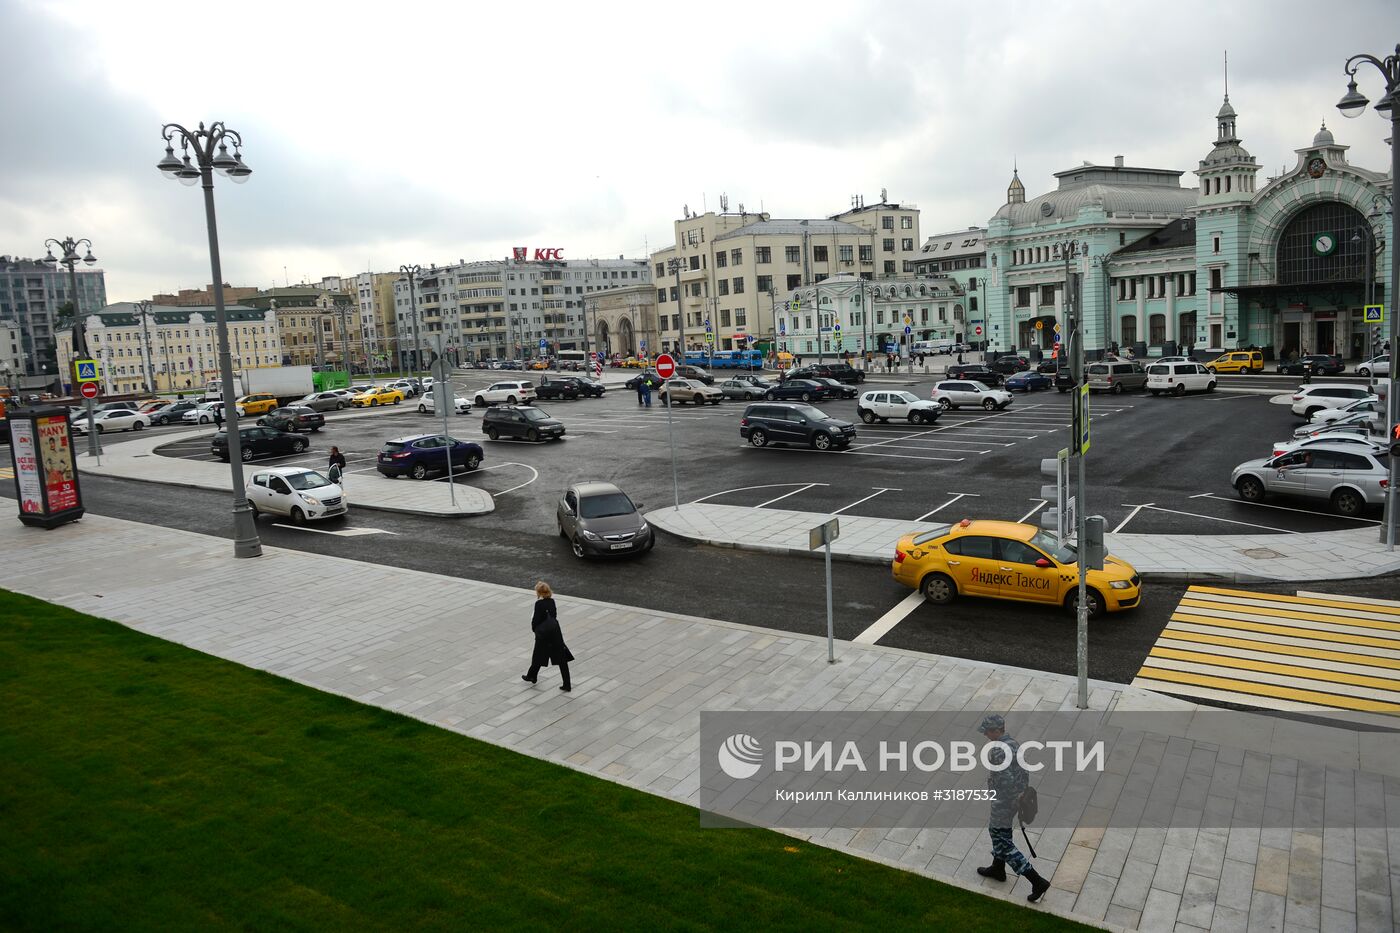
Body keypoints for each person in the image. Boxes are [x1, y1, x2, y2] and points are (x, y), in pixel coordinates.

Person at [975, 714, 1050, 903]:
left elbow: (1005, 779)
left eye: (987, 731)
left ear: (996, 730)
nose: (986, 735)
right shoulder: (1013, 743)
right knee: (1001, 834)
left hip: (1004, 800)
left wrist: (1004, 799)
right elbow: (1024, 771)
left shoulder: (999, 750)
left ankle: (1037, 880)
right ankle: (998, 868)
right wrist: (1020, 794)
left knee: (1002, 839)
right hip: (1016, 798)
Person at [523, 581, 573, 692]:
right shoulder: (552, 602)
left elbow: (536, 620)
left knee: (538, 655)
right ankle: (567, 684)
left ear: (539, 592)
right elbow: (554, 616)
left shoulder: (539, 604)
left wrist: (535, 630)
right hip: (555, 633)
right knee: (561, 659)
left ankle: (532, 676)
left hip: (544, 634)